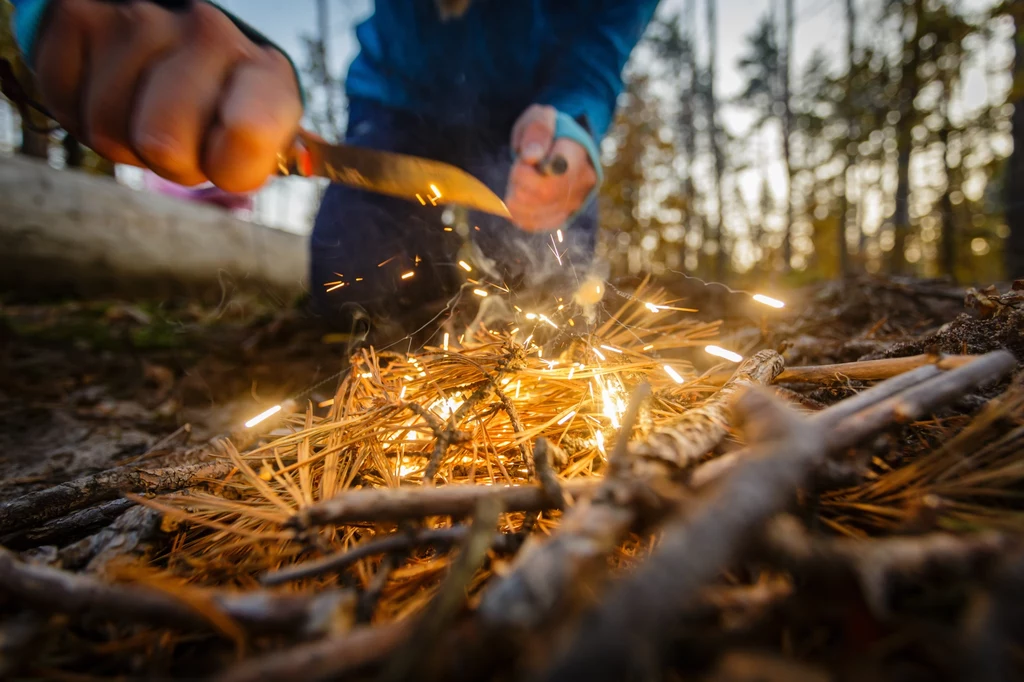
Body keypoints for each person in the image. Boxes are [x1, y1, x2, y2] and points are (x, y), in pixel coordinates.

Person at [9, 0, 660, 338]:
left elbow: (598, 51)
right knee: (351, 290)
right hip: (394, 113)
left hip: (529, 128)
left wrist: (571, 126)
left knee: (547, 288)